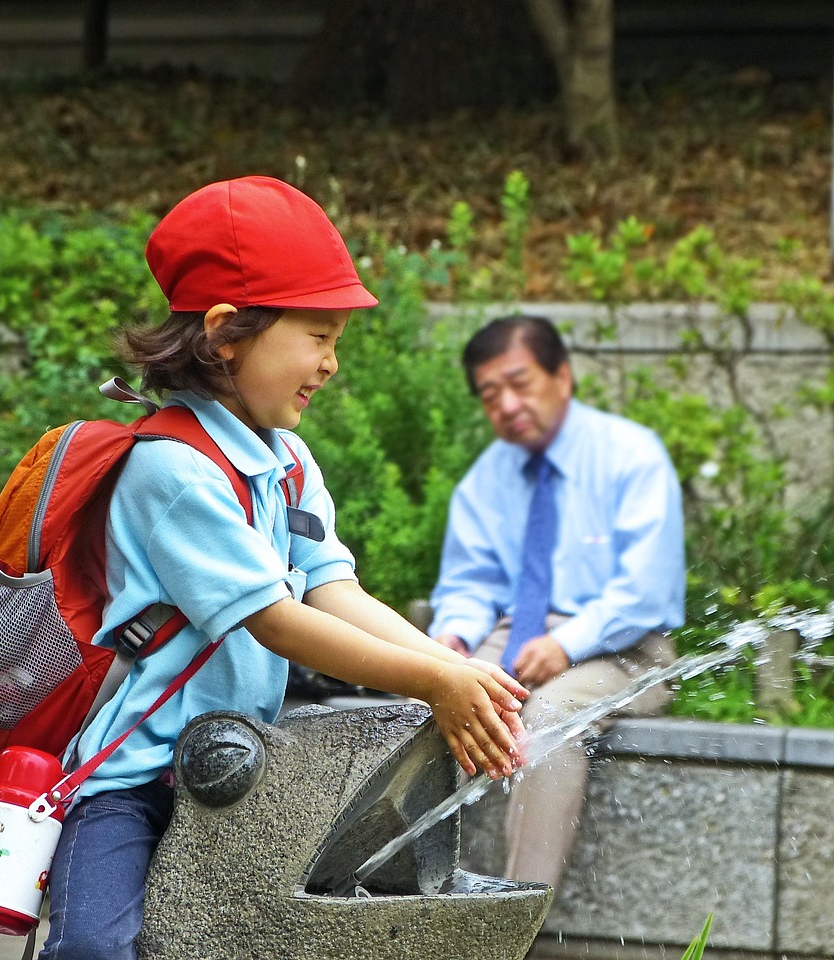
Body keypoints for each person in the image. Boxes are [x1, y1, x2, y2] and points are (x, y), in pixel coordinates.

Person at [38, 176, 527, 960]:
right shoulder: (172, 471)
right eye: (320, 336)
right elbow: (276, 619)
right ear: (227, 331)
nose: (331, 364)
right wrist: (431, 685)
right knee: (97, 950)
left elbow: (334, 590)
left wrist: (459, 673)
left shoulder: (288, 462)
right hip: (130, 784)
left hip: (238, 783)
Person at [428, 313, 684, 892]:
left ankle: (516, 920)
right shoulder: (486, 478)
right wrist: (453, 640)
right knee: (425, 697)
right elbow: (471, 582)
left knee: (549, 716)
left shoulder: (631, 455)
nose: (508, 404)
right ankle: (396, 901)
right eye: (491, 394)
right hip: (514, 631)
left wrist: (566, 644)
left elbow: (645, 589)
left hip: (622, 646)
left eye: (520, 383)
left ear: (562, 377)